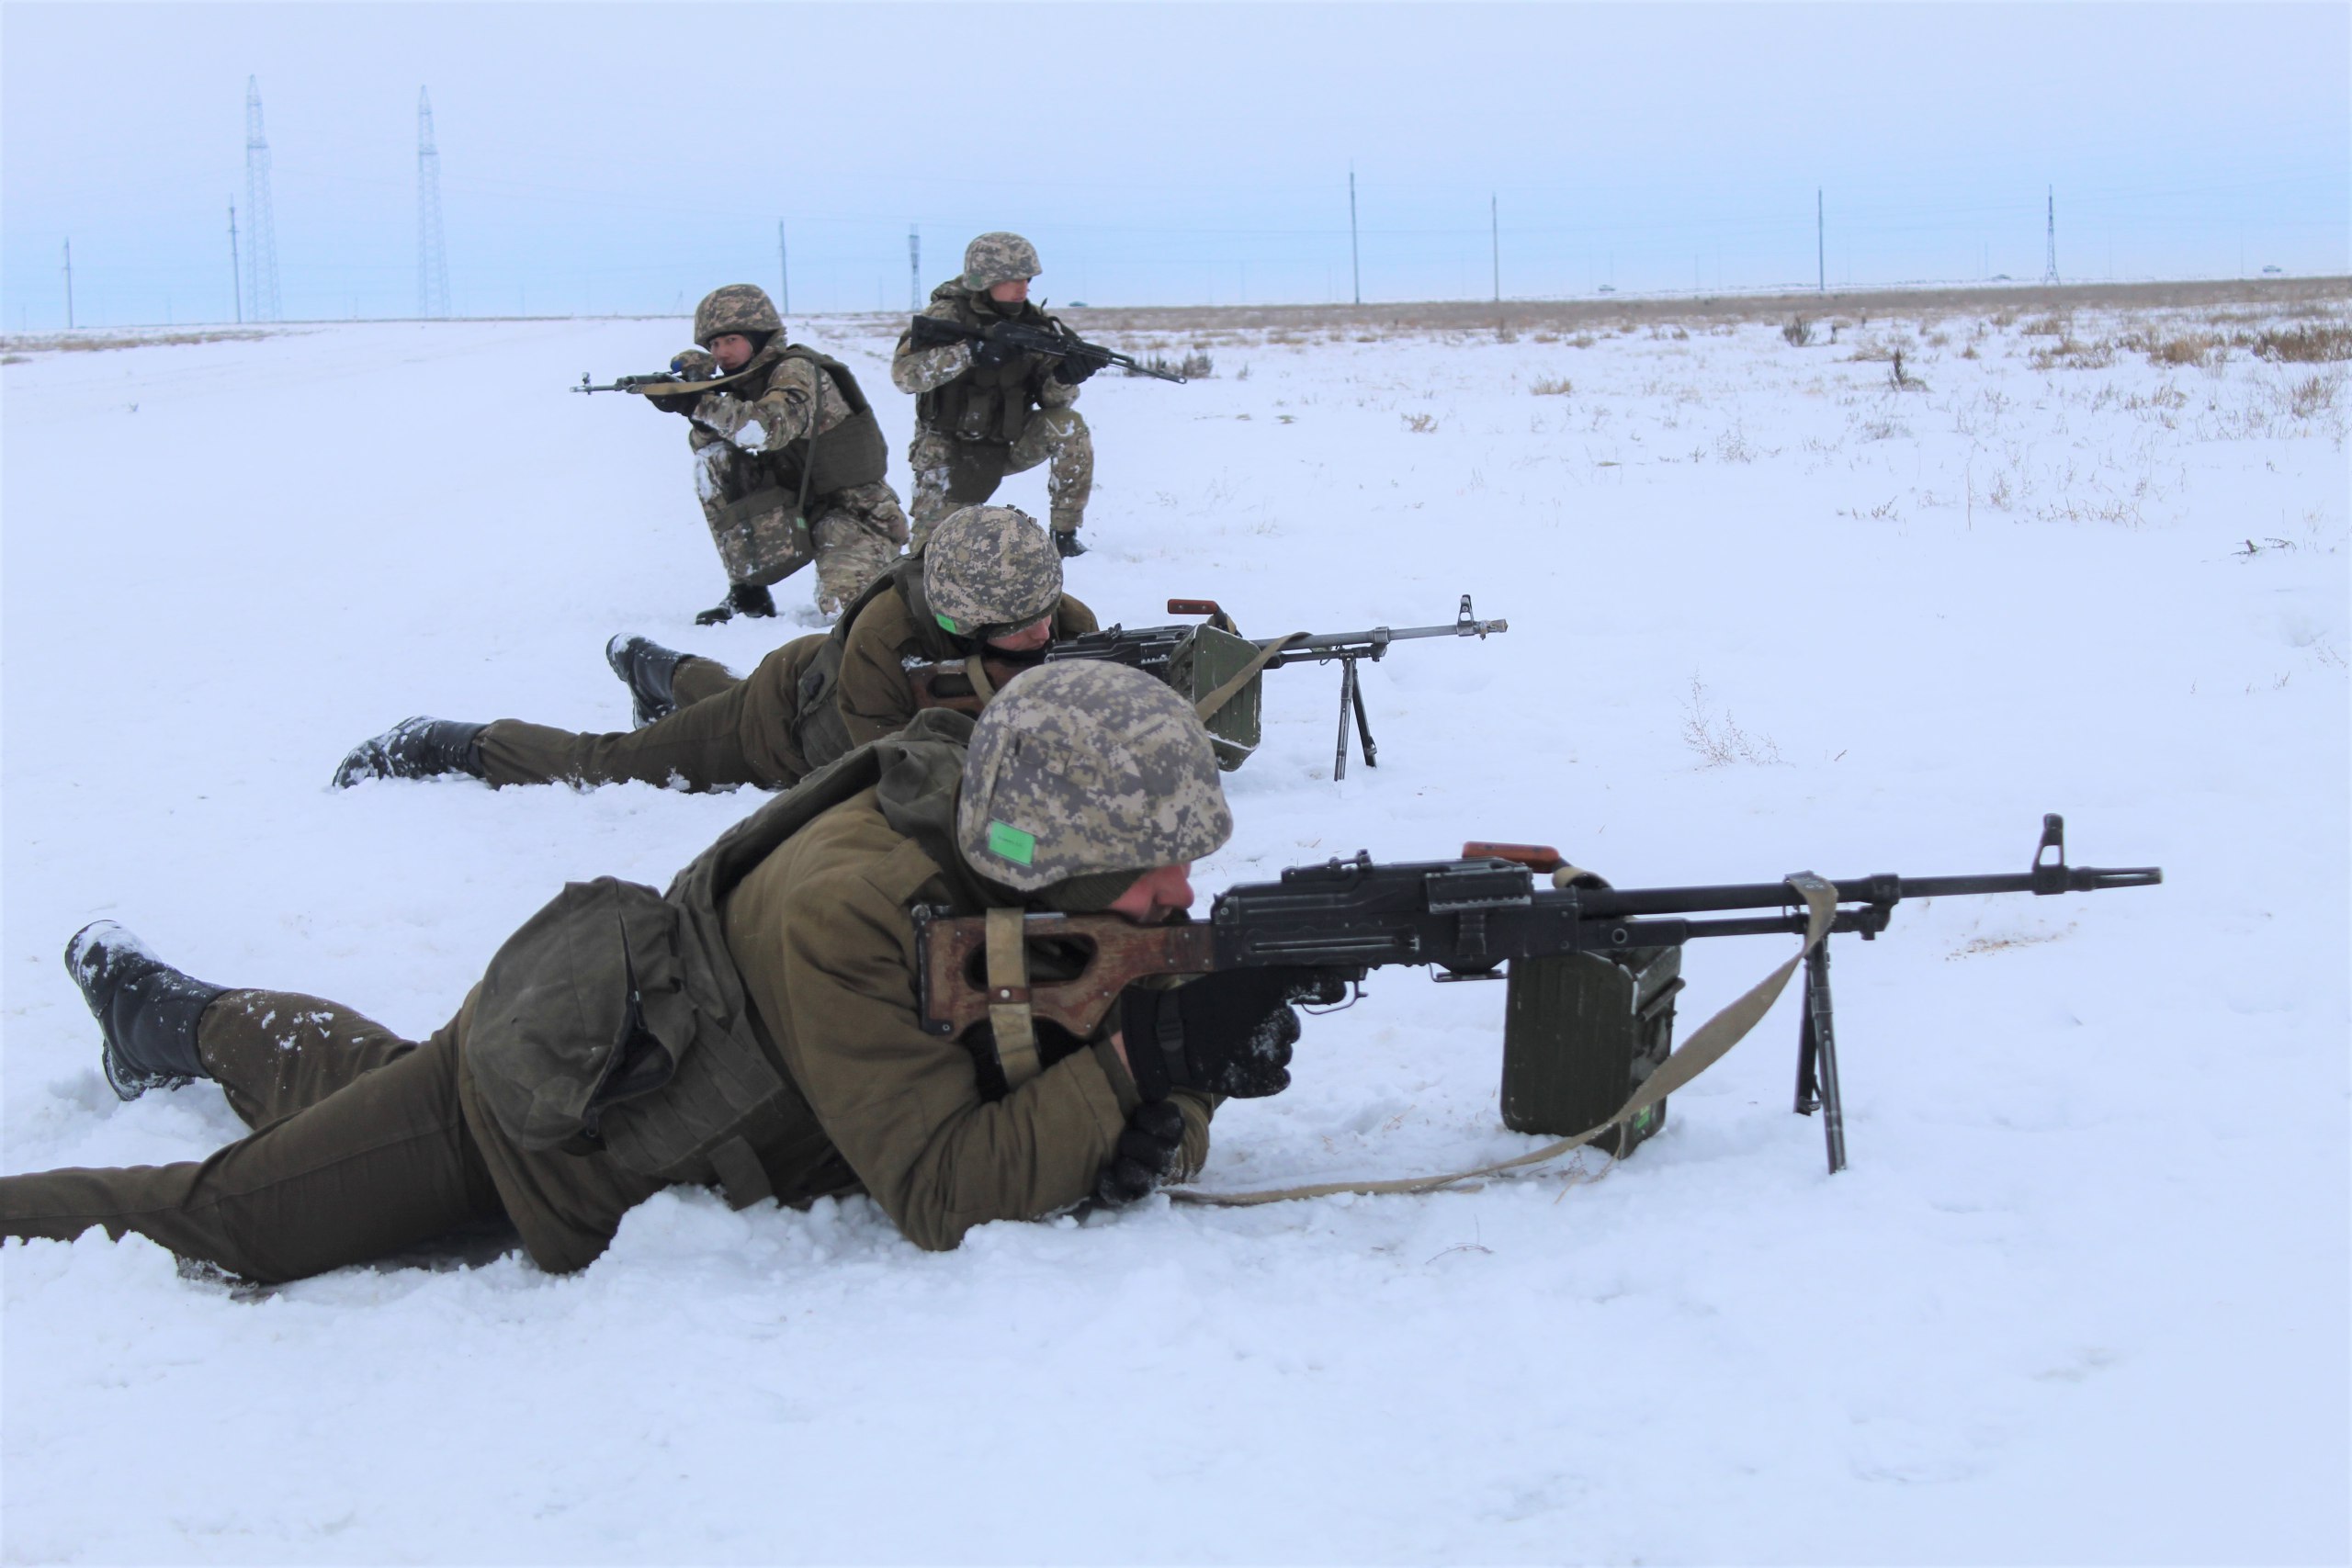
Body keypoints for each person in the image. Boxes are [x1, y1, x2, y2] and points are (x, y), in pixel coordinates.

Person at [1, 665, 1342, 1283]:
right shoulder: (852, 913)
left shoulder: (1005, 863)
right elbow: (941, 1187)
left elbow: (1067, 1051)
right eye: (1156, 870)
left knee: (340, 1072)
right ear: (1051, 852)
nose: (1182, 897)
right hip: (541, 1129)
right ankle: (156, 1029)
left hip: (633, 1068)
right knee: (232, 1220)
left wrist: (1170, 1092)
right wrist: (1139, 1064)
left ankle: (175, 1015)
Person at [329, 506, 1098, 795]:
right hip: (778, 731)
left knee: (710, 689)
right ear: (961, 618)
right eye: (1016, 627)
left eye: (1042, 613)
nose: (1041, 635)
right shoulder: (885, 638)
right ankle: (446, 744)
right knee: (611, 763)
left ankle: (652, 665)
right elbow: (896, 782)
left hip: (801, 683)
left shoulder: (1059, 615)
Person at [652, 284, 910, 624]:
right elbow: (709, 445)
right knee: (712, 461)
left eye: (732, 340)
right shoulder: (745, 382)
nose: (722, 352)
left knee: (848, 612)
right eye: (714, 344)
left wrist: (699, 402)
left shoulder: (798, 370)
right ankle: (748, 593)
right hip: (793, 502)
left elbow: (766, 429)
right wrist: (698, 413)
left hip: (852, 512)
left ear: (759, 337)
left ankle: (891, 574)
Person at [891, 232, 1095, 558]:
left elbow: (1055, 402)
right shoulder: (947, 315)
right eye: (1012, 278)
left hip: (1007, 438)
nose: (1023, 287)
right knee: (929, 555)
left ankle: (1065, 534)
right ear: (983, 279)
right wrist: (971, 352)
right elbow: (904, 376)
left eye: (1026, 279)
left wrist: (1064, 378)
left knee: (1067, 424)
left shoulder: (1034, 324)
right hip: (948, 451)